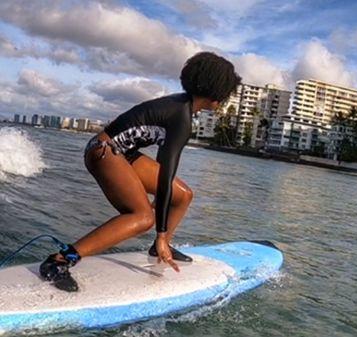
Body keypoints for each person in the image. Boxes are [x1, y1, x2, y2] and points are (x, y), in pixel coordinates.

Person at [39, 52, 241, 292]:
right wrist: (160, 232)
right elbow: (165, 177)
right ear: (216, 94)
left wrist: (163, 237)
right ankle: (60, 260)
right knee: (143, 217)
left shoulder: (182, 107)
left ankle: (160, 247)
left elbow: (164, 174)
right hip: (104, 150)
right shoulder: (181, 117)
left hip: (122, 153)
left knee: (183, 195)